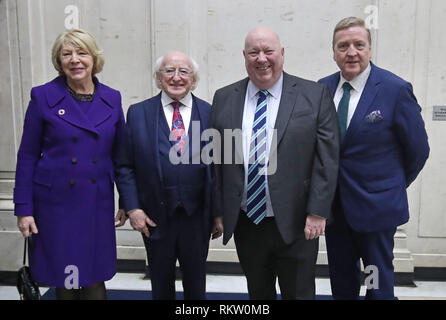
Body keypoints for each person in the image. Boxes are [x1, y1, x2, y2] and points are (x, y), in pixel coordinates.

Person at [210, 26, 339, 300]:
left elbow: (327, 159)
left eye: (268, 51)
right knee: (258, 295)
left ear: (281, 53)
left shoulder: (314, 95)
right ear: (244, 56)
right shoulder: (224, 98)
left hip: (297, 222)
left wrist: (318, 211)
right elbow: (219, 161)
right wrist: (219, 210)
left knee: (299, 294)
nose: (262, 58)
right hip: (247, 221)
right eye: (254, 52)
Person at [319, 17, 430, 300]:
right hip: (335, 210)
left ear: (369, 49)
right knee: (342, 281)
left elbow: (418, 150)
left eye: (359, 44)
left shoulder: (394, 90)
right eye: (343, 46)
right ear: (333, 52)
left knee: (376, 282)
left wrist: (392, 185)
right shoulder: (321, 90)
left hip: (377, 210)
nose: (351, 52)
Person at [13, 29, 126, 300]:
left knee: (94, 276)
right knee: (65, 277)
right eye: (67, 54)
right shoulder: (43, 97)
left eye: (81, 53)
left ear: (93, 59)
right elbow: (27, 156)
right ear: (59, 61)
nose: (75, 60)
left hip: (96, 202)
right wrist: (23, 209)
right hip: (55, 205)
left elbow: (121, 156)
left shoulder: (112, 98)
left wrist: (126, 200)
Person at [115, 51, 213, 300]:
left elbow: (220, 169)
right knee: (160, 283)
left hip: (198, 216)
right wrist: (132, 208)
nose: (177, 77)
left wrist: (220, 213)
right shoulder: (137, 113)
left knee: (196, 282)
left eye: (184, 72)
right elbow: (125, 166)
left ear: (194, 79)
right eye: (169, 71)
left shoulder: (210, 112)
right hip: (154, 216)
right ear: (159, 78)